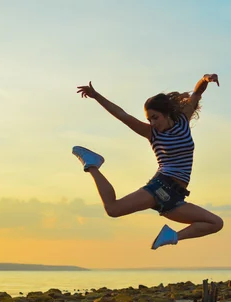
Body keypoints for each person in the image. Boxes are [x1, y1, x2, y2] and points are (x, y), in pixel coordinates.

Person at [73, 74, 223, 249]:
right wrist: (96, 96)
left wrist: (205, 79)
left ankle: (172, 236)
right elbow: (122, 115)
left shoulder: (183, 120)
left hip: (175, 197)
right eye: (149, 119)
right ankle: (92, 164)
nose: (152, 122)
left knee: (215, 223)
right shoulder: (152, 133)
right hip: (161, 187)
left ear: (166, 114)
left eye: (155, 117)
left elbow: (197, 93)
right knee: (113, 209)